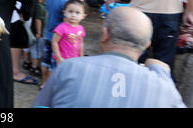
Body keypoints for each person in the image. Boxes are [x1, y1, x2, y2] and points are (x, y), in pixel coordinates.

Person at [33, 7, 186, 108]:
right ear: (147, 45)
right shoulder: (164, 88)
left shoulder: (68, 68)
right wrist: (160, 69)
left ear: (104, 34)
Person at [40, 0, 76, 88]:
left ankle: (44, 83)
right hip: (58, 38)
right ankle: (50, 86)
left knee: (45, 61)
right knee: (53, 62)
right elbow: (66, 21)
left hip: (47, 34)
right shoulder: (64, 2)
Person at [51, 0, 87, 66]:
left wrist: (81, 56)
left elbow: (81, 43)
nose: (73, 15)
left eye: (77, 13)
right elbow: (54, 42)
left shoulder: (81, 28)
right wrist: (58, 57)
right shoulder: (61, 27)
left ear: (83, 16)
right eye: (70, 11)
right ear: (64, 12)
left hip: (74, 60)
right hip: (62, 60)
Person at [28, 0, 53, 77]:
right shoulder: (40, 6)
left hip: (36, 32)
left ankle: (32, 64)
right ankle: (34, 67)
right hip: (38, 33)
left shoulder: (39, 4)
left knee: (35, 50)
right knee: (37, 51)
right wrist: (38, 32)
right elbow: (38, 20)